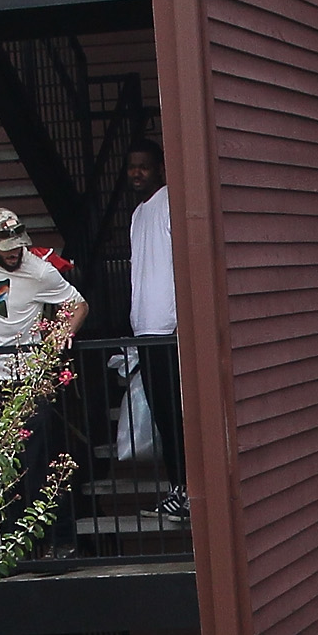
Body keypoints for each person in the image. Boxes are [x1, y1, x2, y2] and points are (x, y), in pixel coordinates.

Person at [0, 206, 87, 556]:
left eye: (17, 244)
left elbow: (78, 304)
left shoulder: (39, 271)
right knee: (0, 463)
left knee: (39, 460)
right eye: (5, 245)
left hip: (27, 378)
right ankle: (15, 545)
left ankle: (60, 540)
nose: (13, 252)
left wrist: (62, 333)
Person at [121, 142, 188, 527]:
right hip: (145, 330)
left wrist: (181, 321)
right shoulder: (138, 215)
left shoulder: (168, 205)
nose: (137, 174)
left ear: (160, 169)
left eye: (143, 167)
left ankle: (185, 489)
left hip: (168, 329)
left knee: (176, 415)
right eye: (132, 167)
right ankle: (177, 487)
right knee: (163, 415)